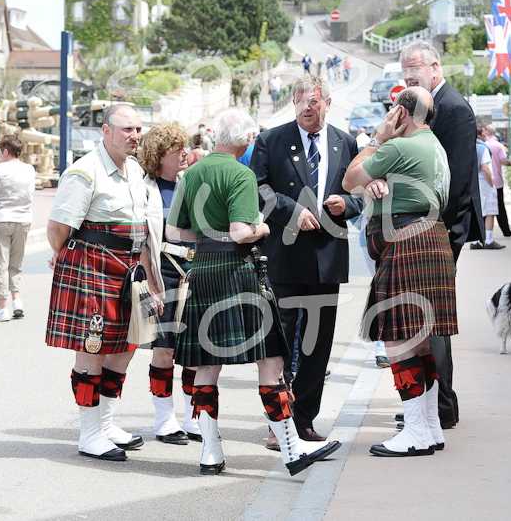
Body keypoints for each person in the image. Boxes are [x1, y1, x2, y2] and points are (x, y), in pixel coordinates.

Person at [166, 108, 341, 476]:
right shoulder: (241, 174)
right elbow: (239, 232)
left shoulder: (191, 174)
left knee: (207, 366)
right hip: (237, 271)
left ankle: (210, 453)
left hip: (202, 271)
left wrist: (206, 237)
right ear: (245, 140)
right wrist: (262, 228)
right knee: (272, 360)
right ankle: (292, 450)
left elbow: (174, 233)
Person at [45, 104, 163, 462]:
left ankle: (107, 423)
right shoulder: (85, 171)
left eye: (138, 129)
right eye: (127, 129)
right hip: (92, 268)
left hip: (129, 268)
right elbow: (58, 229)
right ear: (106, 131)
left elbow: (140, 231)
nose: (135, 136)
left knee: (126, 347)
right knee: (92, 349)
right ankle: (89, 433)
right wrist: (76, 262)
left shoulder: (136, 171)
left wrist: (152, 283)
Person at [342, 87, 455, 456]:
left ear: (401, 115)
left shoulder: (399, 147)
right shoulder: (435, 146)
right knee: (419, 341)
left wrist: (378, 138)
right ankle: (430, 427)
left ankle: (416, 433)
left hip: (406, 242)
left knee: (398, 342)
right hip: (431, 240)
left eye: (393, 111)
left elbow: (349, 179)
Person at [250, 75, 362, 443]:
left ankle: (304, 419)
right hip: (284, 255)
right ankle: (277, 420)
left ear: (327, 102)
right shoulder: (271, 140)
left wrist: (347, 204)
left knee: (317, 344)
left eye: (313, 102)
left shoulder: (345, 142)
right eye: (300, 101)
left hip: (326, 259)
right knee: (279, 340)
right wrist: (290, 211)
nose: (306, 108)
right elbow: (259, 189)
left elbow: (360, 194)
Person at [400, 40, 480, 429]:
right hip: (427, 229)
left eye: (415, 70)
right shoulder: (424, 105)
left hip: (441, 230)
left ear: (435, 67)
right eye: (404, 72)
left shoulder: (453, 109)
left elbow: (458, 182)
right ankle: (432, 404)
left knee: (431, 319)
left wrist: (434, 229)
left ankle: (441, 407)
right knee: (424, 318)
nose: (408, 76)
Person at [138, 122, 202, 445]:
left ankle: (193, 415)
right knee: (163, 349)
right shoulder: (143, 188)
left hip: (196, 272)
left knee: (194, 350)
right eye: (178, 151)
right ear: (159, 155)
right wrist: (150, 280)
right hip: (163, 272)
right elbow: (141, 241)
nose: (184, 155)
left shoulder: (191, 182)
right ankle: (164, 418)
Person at [0, 134, 36, 322]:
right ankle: (17, 300)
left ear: (6, 151)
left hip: (1, 219)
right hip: (23, 220)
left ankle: (2, 307)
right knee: (16, 263)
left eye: (1, 151)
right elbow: (30, 194)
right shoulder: (29, 170)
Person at [471, 129, 505, 250]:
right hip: (484, 183)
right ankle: (489, 240)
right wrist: (492, 183)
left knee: (477, 211)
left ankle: (476, 241)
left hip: (472, 183)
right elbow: (485, 168)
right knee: (490, 211)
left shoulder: (466, 147)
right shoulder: (482, 148)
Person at [482, 125, 511, 237]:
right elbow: (504, 161)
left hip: (484, 181)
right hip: (497, 181)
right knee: (500, 207)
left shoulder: (483, 146)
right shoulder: (498, 146)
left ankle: (483, 233)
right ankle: (506, 231)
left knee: (484, 208)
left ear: (486, 132)